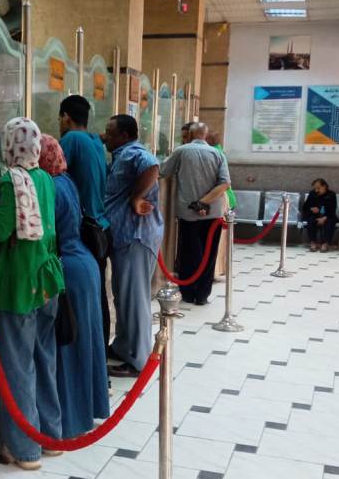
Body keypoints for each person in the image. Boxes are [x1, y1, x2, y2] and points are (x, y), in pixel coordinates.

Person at [0, 118, 65, 469]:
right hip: (46, 279)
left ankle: (24, 449)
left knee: (17, 367)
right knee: (44, 360)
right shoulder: (45, 178)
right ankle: (51, 437)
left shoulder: (9, 179)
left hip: (16, 285)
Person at [38, 135, 110, 438]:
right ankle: (89, 409)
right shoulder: (66, 180)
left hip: (68, 268)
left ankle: (69, 421)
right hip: (85, 264)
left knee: (66, 344)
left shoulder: (48, 185)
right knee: (86, 341)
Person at [103, 115, 164, 377]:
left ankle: (138, 360)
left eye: (110, 132)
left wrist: (136, 198)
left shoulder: (133, 152)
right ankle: (124, 347)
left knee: (135, 298)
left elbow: (152, 166)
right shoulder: (121, 154)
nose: (105, 136)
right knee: (124, 295)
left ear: (125, 136)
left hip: (135, 237)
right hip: (126, 237)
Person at [58, 95, 112, 348]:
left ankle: (84, 351)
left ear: (66, 117)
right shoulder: (94, 142)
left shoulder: (71, 139)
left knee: (83, 299)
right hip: (100, 226)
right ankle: (100, 348)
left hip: (84, 229)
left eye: (60, 118)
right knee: (98, 294)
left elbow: (53, 171)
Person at [159, 122, 231, 305]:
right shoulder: (218, 154)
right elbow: (225, 183)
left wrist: (196, 203)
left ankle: (188, 293)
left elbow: (162, 171)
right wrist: (204, 202)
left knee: (189, 253)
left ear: (190, 135)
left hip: (188, 213)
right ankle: (202, 295)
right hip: (213, 213)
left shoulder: (181, 151)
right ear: (205, 136)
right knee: (209, 254)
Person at [302, 179, 339, 252]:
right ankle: (313, 242)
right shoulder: (312, 194)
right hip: (315, 215)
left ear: (324, 186)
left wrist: (324, 218)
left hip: (328, 215)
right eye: (315, 188)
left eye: (318, 188)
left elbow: (333, 209)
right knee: (311, 220)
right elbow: (305, 207)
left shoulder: (331, 195)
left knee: (330, 222)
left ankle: (325, 243)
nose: (316, 190)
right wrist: (311, 209)